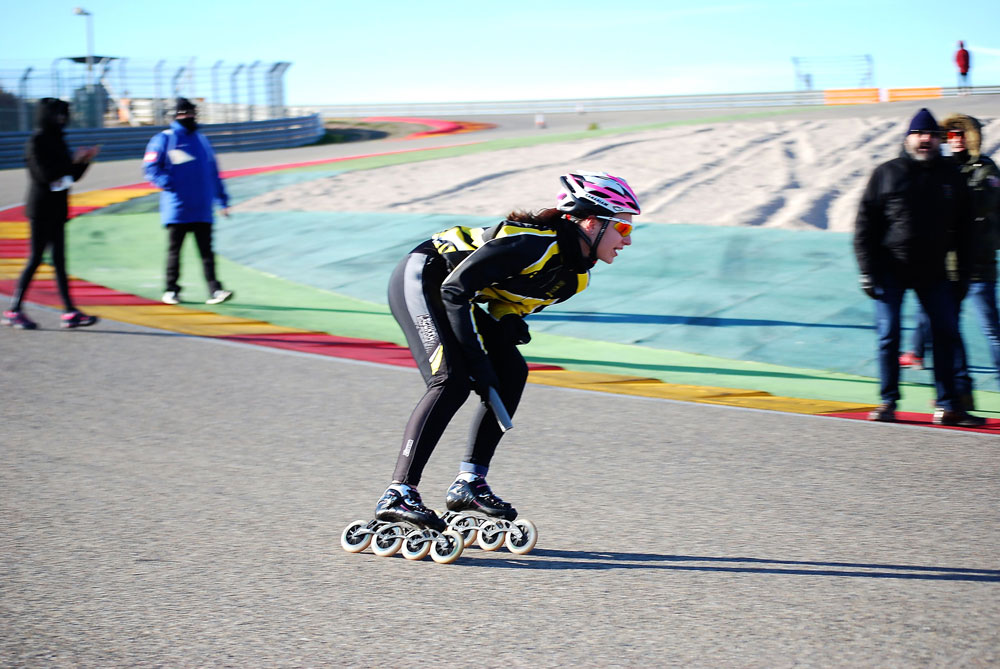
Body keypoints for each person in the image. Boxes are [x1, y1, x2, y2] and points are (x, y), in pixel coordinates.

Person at [374, 172, 640, 530]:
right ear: (591, 222)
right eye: (622, 229)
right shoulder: (532, 242)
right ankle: (398, 492)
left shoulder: (575, 278)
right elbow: (454, 290)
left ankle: (469, 482)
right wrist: (478, 361)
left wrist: (509, 320)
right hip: (425, 275)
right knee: (452, 379)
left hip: (458, 294)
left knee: (512, 372)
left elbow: (503, 304)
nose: (628, 240)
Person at [854, 107, 985, 427]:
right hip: (890, 269)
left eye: (931, 135)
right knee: (889, 335)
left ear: (938, 140)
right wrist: (867, 270)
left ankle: (948, 406)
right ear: (908, 139)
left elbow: (965, 228)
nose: (925, 139)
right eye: (919, 134)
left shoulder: (951, 176)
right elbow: (865, 224)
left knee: (946, 334)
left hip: (934, 272)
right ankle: (888, 402)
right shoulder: (886, 172)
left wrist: (963, 274)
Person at [900, 113, 1000, 395]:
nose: (956, 140)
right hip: (946, 265)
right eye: (951, 135)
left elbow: (979, 203)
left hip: (979, 265)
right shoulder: (940, 167)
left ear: (973, 137)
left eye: (962, 134)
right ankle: (956, 393)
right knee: (946, 330)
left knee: (991, 329)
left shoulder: (986, 169)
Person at [2, 98, 100, 330]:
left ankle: (70, 312)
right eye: (58, 115)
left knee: (59, 261)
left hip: (58, 208)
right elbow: (46, 176)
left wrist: (85, 161)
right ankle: (14, 310)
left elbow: (70, 176)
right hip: (41, 209)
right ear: (47, 116)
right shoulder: (36, 142)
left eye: (64, 115)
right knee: (36, 258)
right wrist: (73, 161)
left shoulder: (58, 139)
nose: (62, 119)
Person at [143, 97, 233, 306]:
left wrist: (222, 200)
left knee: (207, 253)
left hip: (202, 208)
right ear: (175, 115)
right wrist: (170, 184)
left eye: (191, 112)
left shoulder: (202, 140)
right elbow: (150, 168)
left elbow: (213, 173)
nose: (188, 116)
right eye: (183, 113)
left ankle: (215, 290)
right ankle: (171, 290)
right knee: (175, 251)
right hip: (178, 208)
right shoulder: (164, 139)